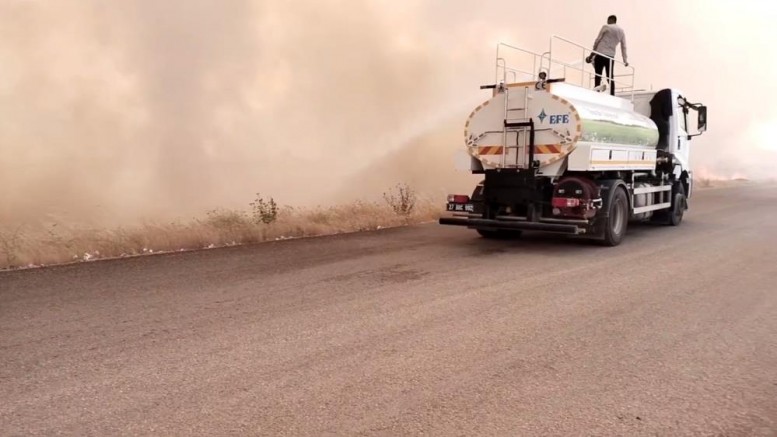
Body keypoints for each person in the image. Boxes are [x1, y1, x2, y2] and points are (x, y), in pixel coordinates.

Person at [586, 15, 628, 95]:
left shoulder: (606, 27)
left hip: (600, 53)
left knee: (598, 74)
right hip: (611, 56)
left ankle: (596, 92)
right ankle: (612, 94)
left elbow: (597, 40)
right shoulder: (621, 31)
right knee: (610, 76)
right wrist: (625, 60)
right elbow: (624, 46)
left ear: (610, 20)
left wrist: (592, 54)